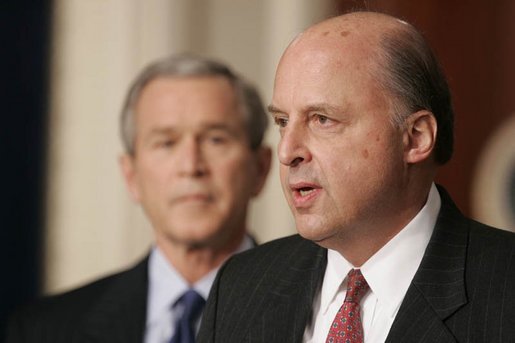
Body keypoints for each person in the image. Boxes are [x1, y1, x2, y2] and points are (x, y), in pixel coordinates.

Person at [197, 11, 515, 343]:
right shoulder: (241, 285)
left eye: (322, 119)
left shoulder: (506, 290)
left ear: (416, 137)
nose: (287, 151)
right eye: (282, 122)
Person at [6, 54, 272, 343]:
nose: (191, 166)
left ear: (260, 168)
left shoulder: (315, 311)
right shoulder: (42, 330)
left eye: (215, 139)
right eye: (166, 143)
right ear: (131, 176)